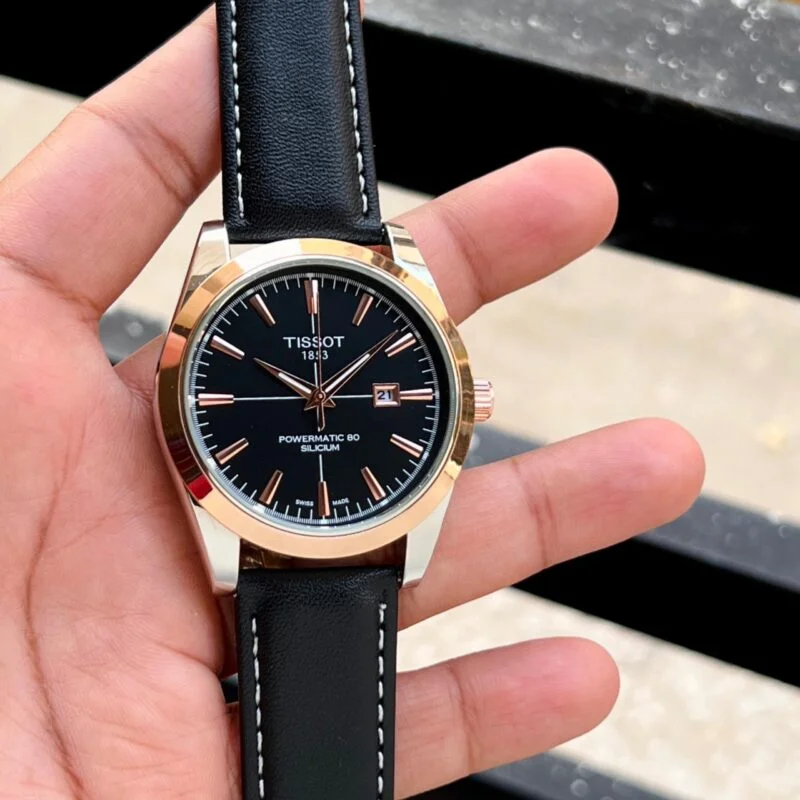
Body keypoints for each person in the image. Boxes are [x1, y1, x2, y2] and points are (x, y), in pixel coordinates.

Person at [0, 9, 704, 798]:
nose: (317, 397)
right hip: (274, 526)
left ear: (461, 399)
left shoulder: (367, 284)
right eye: (310, 391)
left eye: (327, 391)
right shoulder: (243, 293)